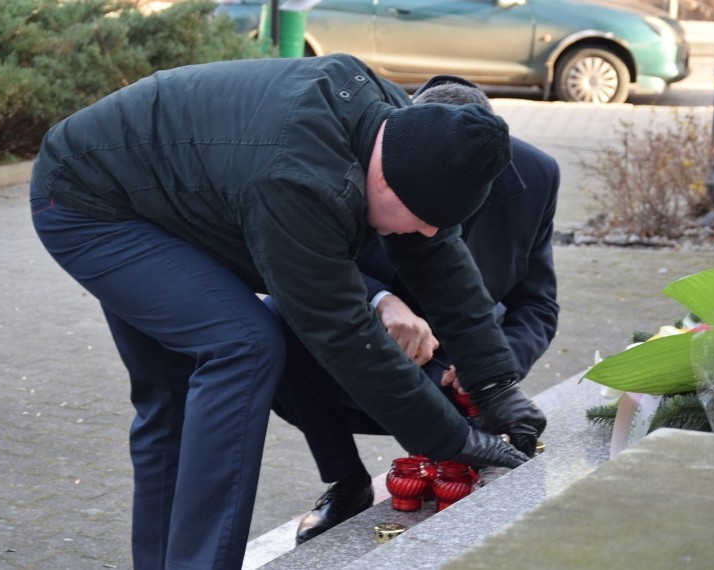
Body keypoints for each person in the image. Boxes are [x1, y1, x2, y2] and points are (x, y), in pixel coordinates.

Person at [29, 54, 544, 569]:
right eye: (425, 220)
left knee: (177, 403)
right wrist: (453, 438)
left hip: (164, 188)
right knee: (243, 346)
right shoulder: (299, 180)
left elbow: (440, 255)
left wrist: (494, 382)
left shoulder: (401, 130)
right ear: (386, 183)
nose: (429, 233)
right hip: (90, 203)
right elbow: (345, 336)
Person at [266, 75, 559, 544]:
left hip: (456, 368)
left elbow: (538, 303)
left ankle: (454, 475)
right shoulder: (361, 159)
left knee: (464, 460)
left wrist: (494, 374)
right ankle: (347, 482)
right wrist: (380, 298)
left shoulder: (537, 176)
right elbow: (301, 262)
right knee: (271, 321)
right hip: (360, 345)